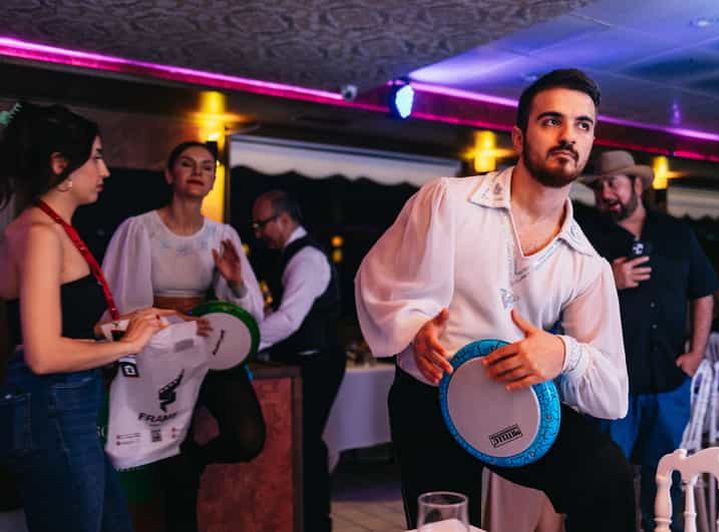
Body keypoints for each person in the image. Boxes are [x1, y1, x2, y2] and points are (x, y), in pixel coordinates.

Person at [355, 69, 634, 532]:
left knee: (607, 477)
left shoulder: (588, 265)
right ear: (519, 137)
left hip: (515, 402)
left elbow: (612, 392)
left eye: (582, 125)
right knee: (443, 523)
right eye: (552, 121)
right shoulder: (447, 202)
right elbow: (378, 278)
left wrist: (563, 352)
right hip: (429, 396)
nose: (568, 135)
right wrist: (413, 329)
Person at [0, 102, 164, 532]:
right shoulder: (39, 233)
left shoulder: (49, 227)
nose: (104, 170)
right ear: (60, 165)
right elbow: (42, 355)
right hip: (53, 406)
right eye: (95, 157)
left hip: (65, 405)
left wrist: (132, 322)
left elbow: (65, 327)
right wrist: (128, 345)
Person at [102, 140, 266, 532]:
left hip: (206, 348)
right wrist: (175, 323)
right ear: (169, 174)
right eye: (188, 164)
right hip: (157, 354)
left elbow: (246, 312)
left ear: (213, 180)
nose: (198, 172)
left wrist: (235, 282)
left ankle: (193, 456)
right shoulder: (138, 228)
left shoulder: (222, 234)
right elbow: (121, 302)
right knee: (173, 473)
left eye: (207, 167)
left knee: (248, 437)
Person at [579, 149, 718, 531]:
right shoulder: (586, 236)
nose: (605, 194)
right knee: (608, 481)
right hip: (612, 386)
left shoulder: (676, 233)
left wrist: (696, 353)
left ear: (637, 185)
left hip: (668, 382)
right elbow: (563, 298)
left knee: (665, 481)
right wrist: (608, 279)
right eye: (599, 187)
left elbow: (703, 292)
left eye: (613, 184)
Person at [252, 190, 345, 532]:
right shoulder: (291, 256)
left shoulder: (306, 259)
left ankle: (316, 522)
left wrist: (245, 344)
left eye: (262, 225)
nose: (258, 233)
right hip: (307, 361)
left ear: (284, 220)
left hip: (317, 362)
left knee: (306, 443)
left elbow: (289, 320)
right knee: (301, 442)